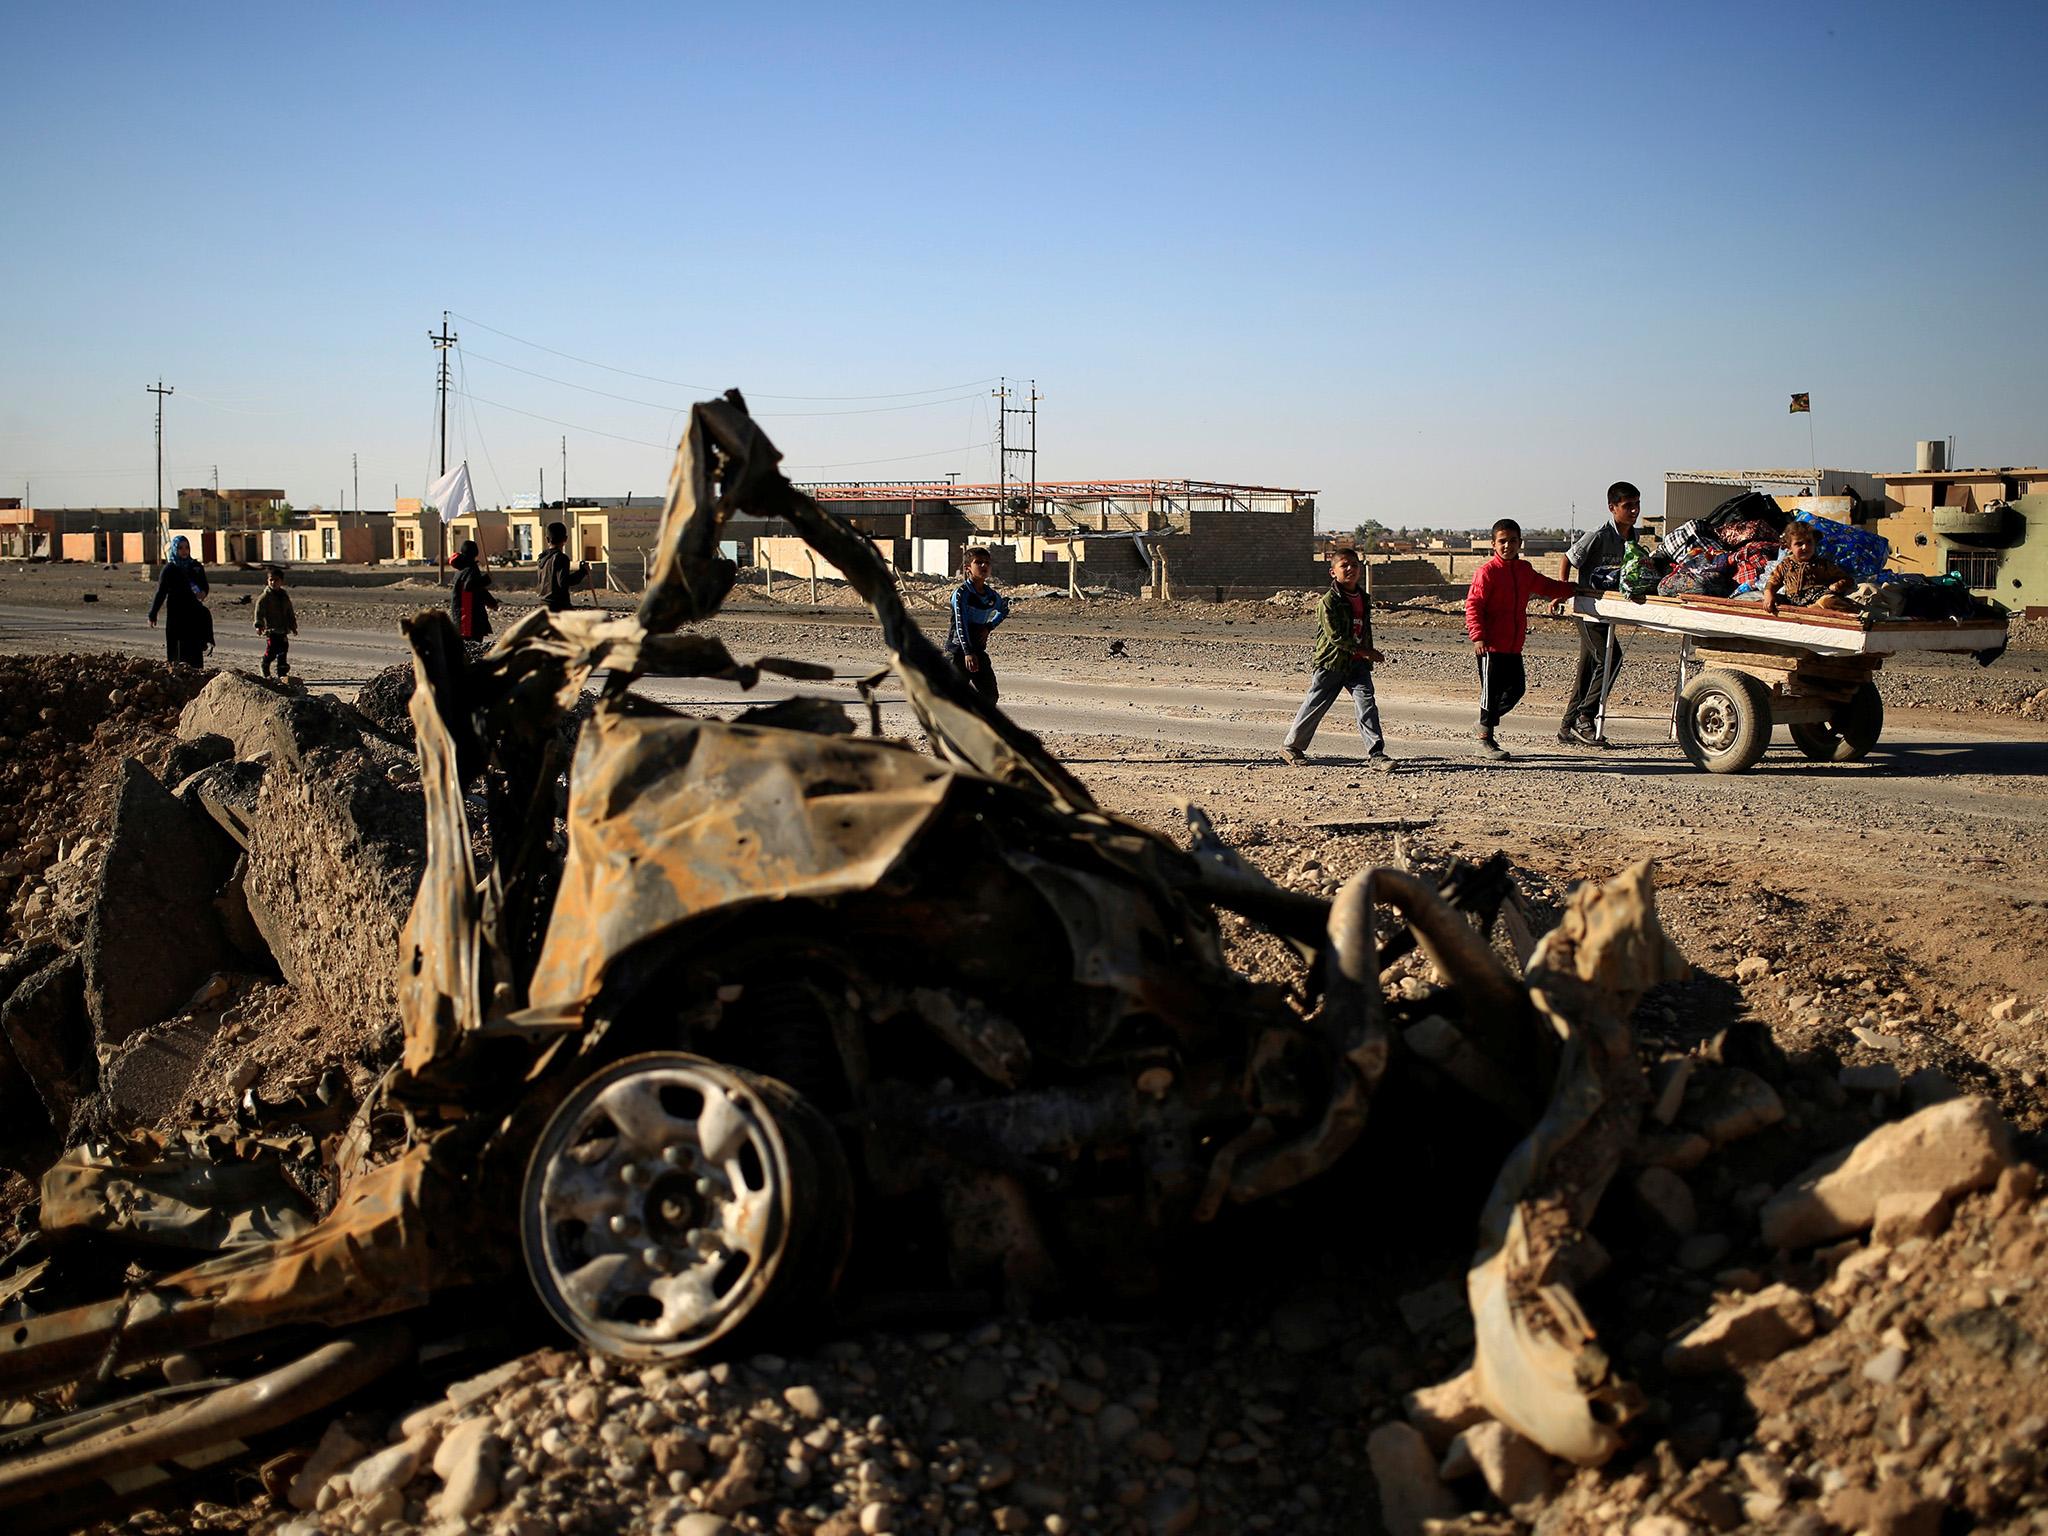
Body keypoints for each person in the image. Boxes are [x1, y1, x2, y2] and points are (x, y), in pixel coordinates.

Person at [1465, 518, 1579, 759]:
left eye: (1512, 541)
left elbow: (1548, 586)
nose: (1507, 546)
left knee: (1516, 689)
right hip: (1490, 646)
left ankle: (1484, 723)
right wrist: (1478, 637)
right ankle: (1484, 740)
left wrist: (1574, 589)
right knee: (1491, 692)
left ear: (1520, 543)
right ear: (1493, 544)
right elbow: (1473, 606)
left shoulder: (1524, 570)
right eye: (1502, 541)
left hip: (1513, 646)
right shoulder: (1486, 573)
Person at [1280, 546, 1392, 768]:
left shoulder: (1362, 597)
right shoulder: (1328, 601)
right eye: (1344, 566)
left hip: (1357, 664)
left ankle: (1376, 753)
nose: (1350, 569)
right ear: (1333, 572)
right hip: (1331, 663)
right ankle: (1291, 747)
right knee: (1316, 704)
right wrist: (1367, 652)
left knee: (1366, 703)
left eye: (1354, 565)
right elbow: (1336, 637)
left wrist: (1365, 655)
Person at [1558, 481, 1640, 747]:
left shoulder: (1633, 537)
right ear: (1612, 508)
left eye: (1637, 504)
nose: (1634, 511)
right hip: (1587, 610)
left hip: (1608, 610)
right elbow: (1568, 559)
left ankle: (1566, 726)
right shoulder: (1598, 535)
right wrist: (1565, 591)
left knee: (1587, 667)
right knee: (1611, 657)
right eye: (1628, 506)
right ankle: (1585, 717)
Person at [946, 546, 1010, 703]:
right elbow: (961, 624)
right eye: (978, 562)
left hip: (978, 652)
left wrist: (989, 627)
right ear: (968, 568)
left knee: (990, 696)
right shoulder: (962, 594)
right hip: (959, 653)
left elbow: (1004, 610)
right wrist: (968, 652)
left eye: (987, 563)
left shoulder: (991, 595)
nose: (984, 566)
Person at [1763, 521, 1856, 615]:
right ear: (1789, 547)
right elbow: (1772, 581)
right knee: (1764, 603)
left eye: (1809, 542)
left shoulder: (1823, 564)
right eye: (1799, 544)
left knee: (1828, 602)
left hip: (1817, 598)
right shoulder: (1786, 564)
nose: (1805, 547)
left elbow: (1847, 579)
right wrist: (1769, 594)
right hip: (1793, 600)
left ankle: (1856, 612)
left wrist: (1837, 585)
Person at [148, 534, 211, 667]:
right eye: (180, 548)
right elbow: (161, 593)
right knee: (177, 650)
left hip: (193, 612)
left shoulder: (196, 566)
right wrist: (153, 613)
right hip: (176, 614)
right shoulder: (169, 569)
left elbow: (204, 585)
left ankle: (196, 676)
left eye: (186, 547)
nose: (184, 551)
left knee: (194, 648)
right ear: (175, 549)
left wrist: (203, 593)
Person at [450, 539, 501, 645]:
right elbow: (473, 588)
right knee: (472, 645)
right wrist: (486, 580)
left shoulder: (461, 569)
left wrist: (491, 603)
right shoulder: (471, 569)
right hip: (469, 616)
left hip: (461, 614)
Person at [536, 521, 591, 613]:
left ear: (547, 539)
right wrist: (582, 571)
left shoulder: (541, 558)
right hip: (558, 607)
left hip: (543, 605)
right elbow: (563, 582)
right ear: (565, 539)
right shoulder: (561, 558)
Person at [254, 566, 298, 679]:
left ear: (281, 581)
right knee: (272, 651)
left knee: (283, 651)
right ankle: (265, 667)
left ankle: (282, 673)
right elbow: (259, 612)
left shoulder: (284, 596)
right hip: (271, 630)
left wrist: (293, 625)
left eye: (276, 580)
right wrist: (259, 625)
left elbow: (289, 611)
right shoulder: (265, 597)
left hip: (283, 629)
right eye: (271, 580)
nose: (273, 582)